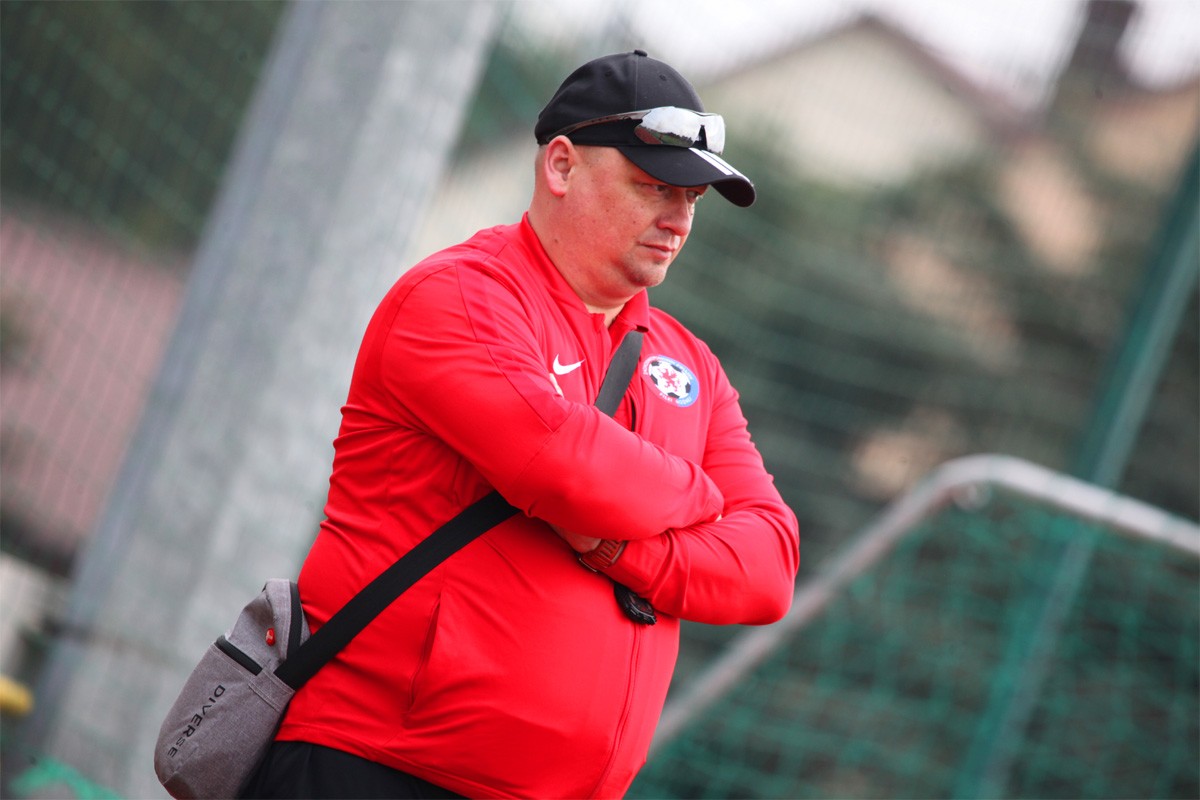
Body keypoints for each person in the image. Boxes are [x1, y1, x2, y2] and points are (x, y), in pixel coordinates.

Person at [242, 50, 799, 799]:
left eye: (692, 198)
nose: (677, 219)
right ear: (561, 166)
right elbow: (567, 467)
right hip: (374, 767)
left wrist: (615, 548)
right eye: (653, 187)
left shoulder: (689, 362)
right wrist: (701, 496)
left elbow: (769, 568)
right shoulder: (459, 294)